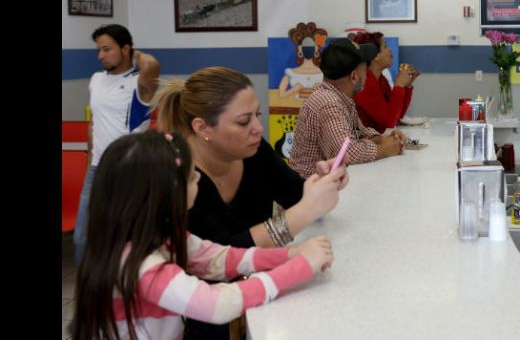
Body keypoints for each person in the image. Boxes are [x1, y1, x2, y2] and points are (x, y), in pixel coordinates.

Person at [72, 130, 334, 340]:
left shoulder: (165, 236)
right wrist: (300, 267)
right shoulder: (142, 266)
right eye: (189, 177)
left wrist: (289, 255)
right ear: (165, 194)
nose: (198, 177)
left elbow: (221, 258)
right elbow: (217, 305)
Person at [153, 66, 347, 339]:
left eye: (257, 115)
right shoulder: (180, 180)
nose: (258, 128)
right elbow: (218, 266)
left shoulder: (253, 149)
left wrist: (321, 182)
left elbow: (294, 194)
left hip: (257, 299)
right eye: (244, 121)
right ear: (202, 128)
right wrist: (302, 224)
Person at [73, 24, 160, 264]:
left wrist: (135, 55)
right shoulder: (96, 79)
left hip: (130, 170)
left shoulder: (140, 82)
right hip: (97, 169)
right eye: (99, 50)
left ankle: (125, 290)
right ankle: (90, 293)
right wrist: (91, 158)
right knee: (82, 237)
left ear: (125, 49)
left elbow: (152, 65)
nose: (101, 55)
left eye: (107, 49)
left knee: (126, 239)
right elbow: (95, 124)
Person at [289, 38, 406, 178]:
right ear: (354, 77)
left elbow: (359, 132)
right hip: (309, 188)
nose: (367, 73)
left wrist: (382, 139)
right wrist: (385, 149)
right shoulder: (328, 104)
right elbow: (347, 153)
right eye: (365, 68)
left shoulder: (340, 96)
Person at [350, 31, 419, 133]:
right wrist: (399, 85)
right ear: (375, 55)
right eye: (385, 47)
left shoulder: (381, 79)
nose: (390, 49)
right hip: (360, 142)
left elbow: (397, 116)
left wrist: (406, 86)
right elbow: (389, 121)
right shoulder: (365, 82)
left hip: (375, 138)